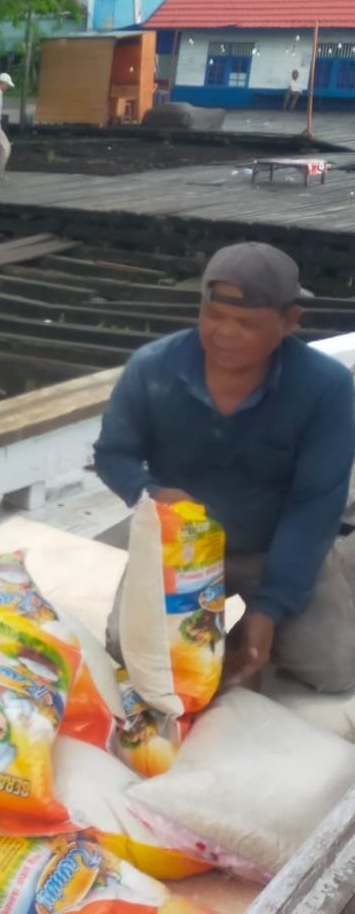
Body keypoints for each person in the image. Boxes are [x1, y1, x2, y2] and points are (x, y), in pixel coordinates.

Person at [94, 242, 355, 696]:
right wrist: (152, 492)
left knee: (335, 670)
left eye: (247, 323)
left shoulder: (328, 389)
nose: (225, 333)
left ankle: (334, 565)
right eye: (213, 316)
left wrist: (268, 609)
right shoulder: (151, 368)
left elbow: (314, 506)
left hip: (271, 548)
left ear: (290, 321)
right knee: (125, 651)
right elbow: (113, 454)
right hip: (182, 549)